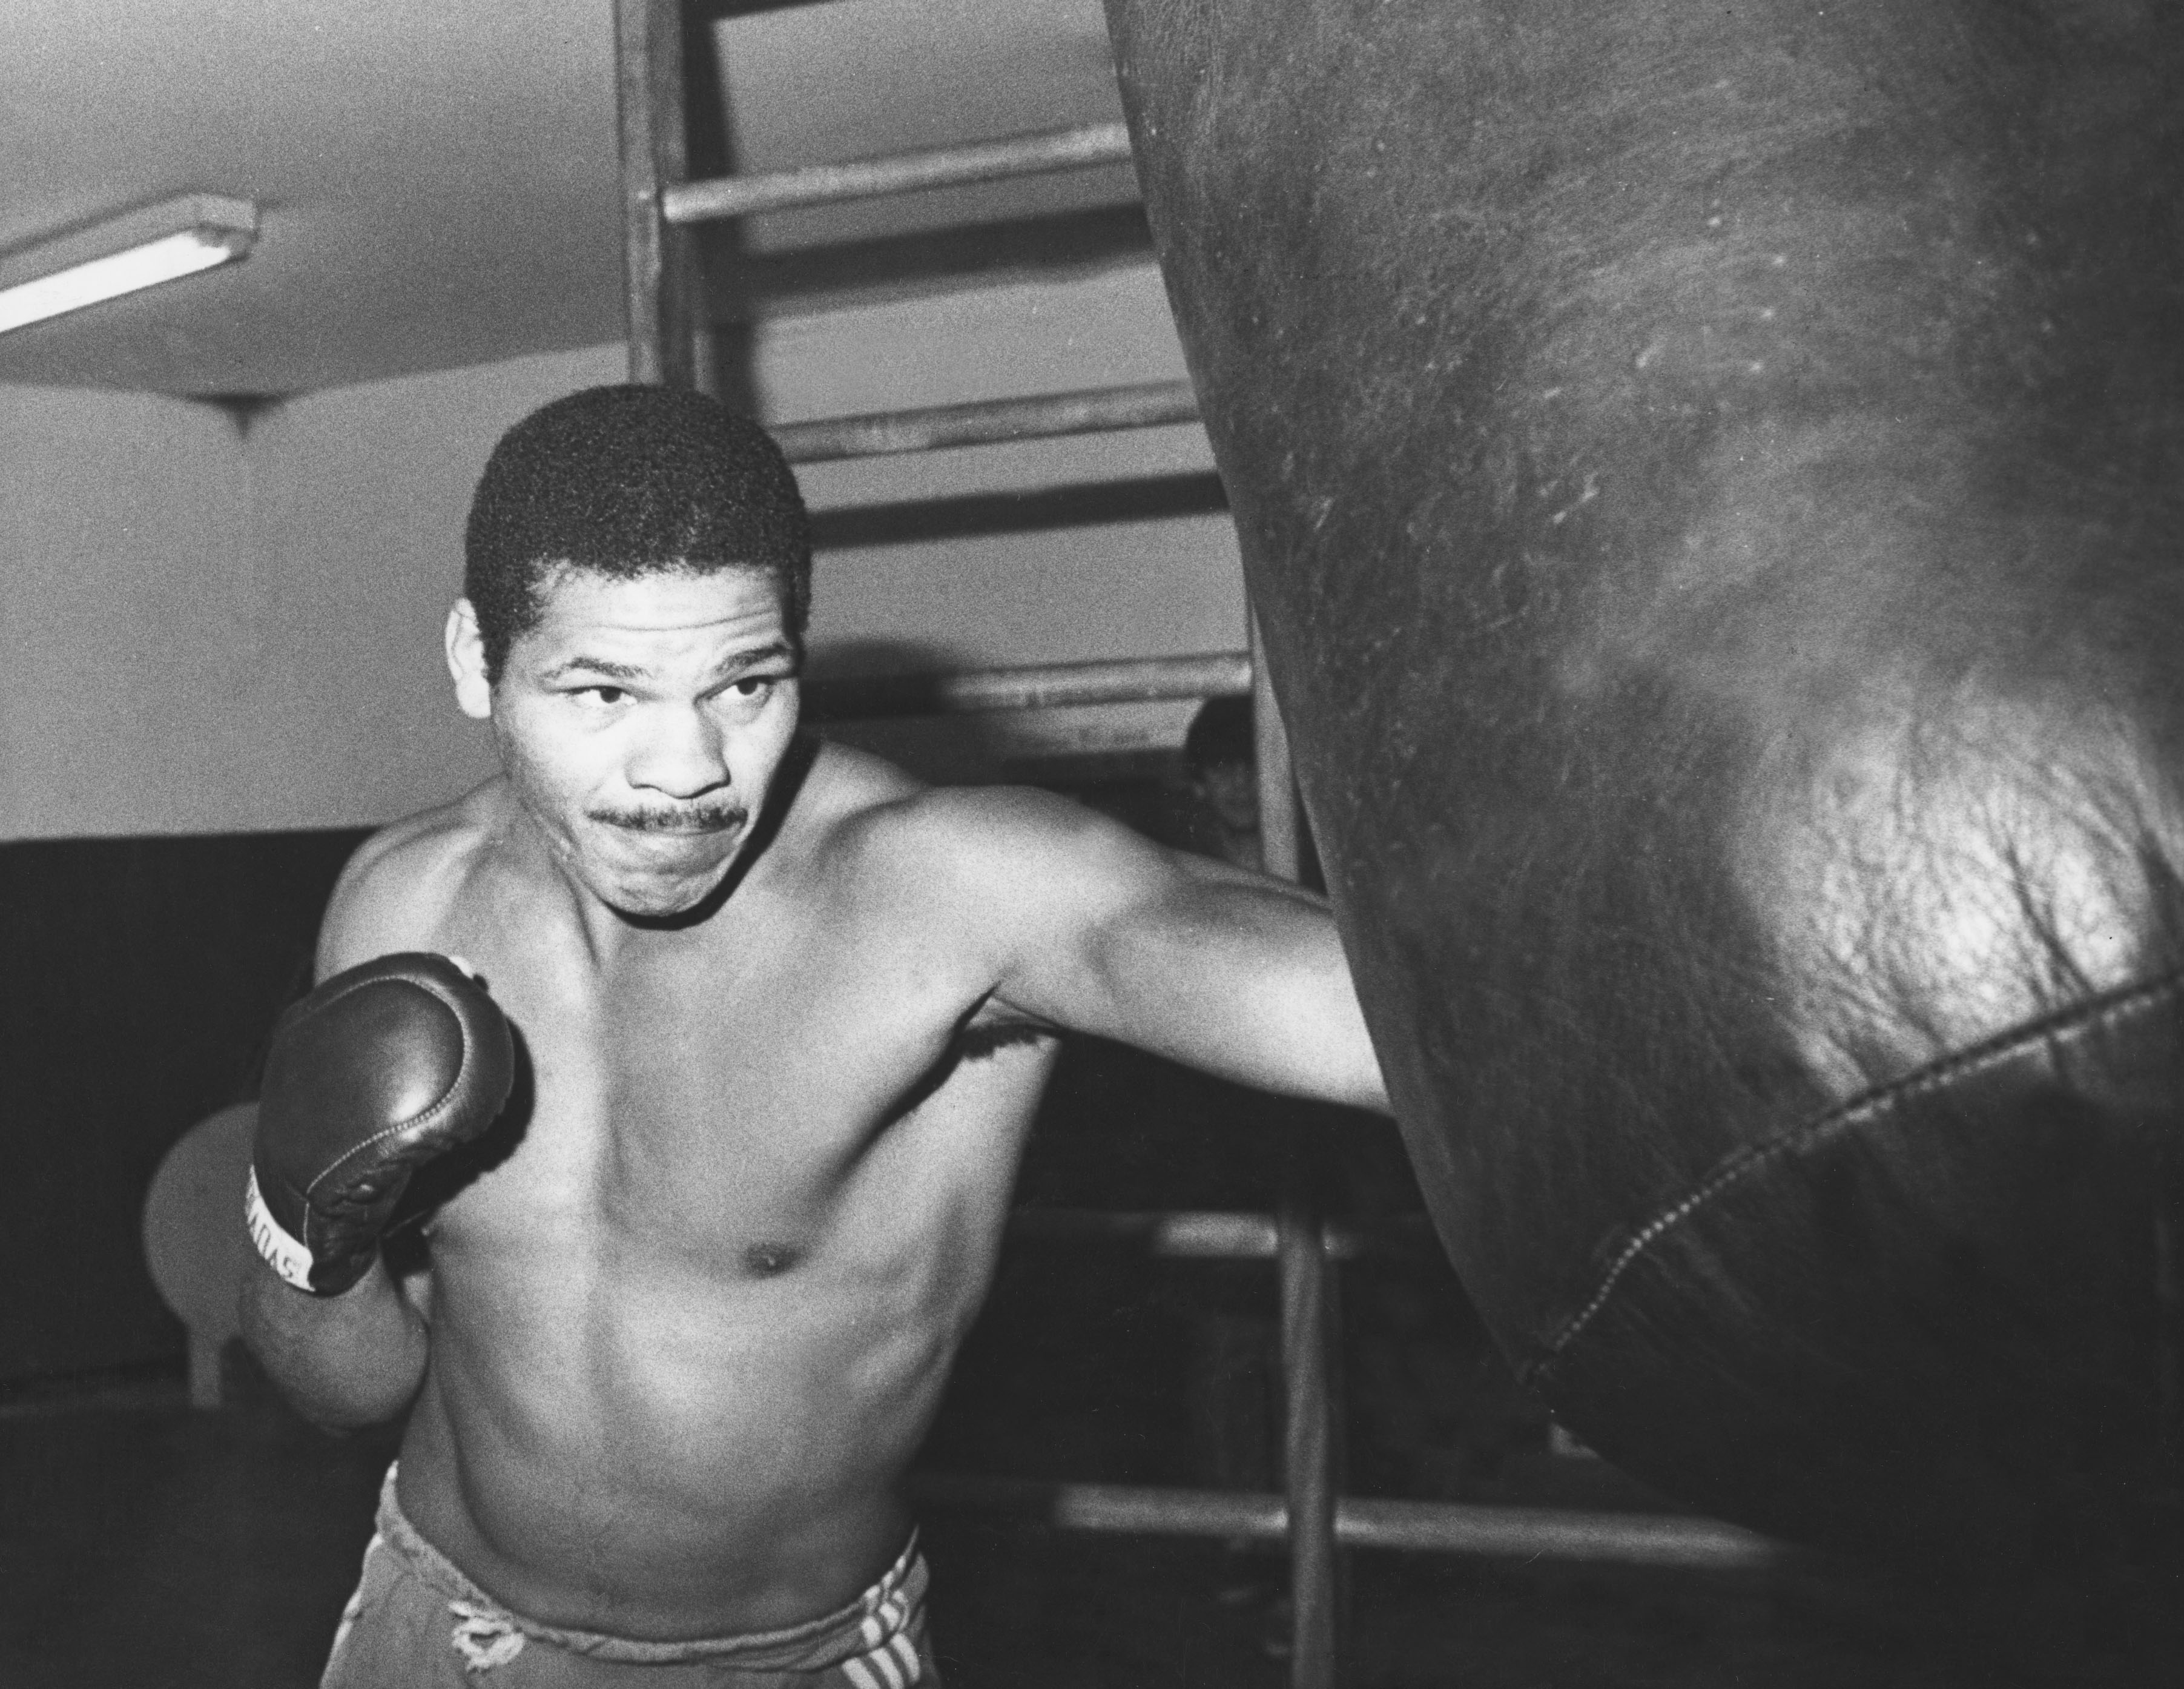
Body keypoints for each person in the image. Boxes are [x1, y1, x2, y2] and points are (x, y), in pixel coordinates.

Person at [238, 383, 1390, 1688]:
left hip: (789, 1659)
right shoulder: (404, 903)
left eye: (744, 683)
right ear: (472, 661)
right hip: (438, 1622)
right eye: (604, 691)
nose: (684, 768)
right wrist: (299, 1225)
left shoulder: (948, 896)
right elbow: (346, 1390)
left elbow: (1385, 1026)